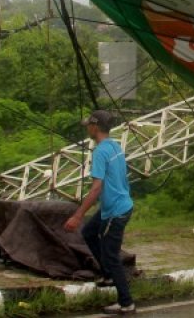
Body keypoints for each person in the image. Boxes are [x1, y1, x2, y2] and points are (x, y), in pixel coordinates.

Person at [64, 110, 135, 315]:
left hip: (116, 211)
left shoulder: (100, 152)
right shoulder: (114, 146)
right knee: (89, 233)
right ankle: (108, 275)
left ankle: (126, 302)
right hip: (114, 206)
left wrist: (77, 215)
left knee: (111, 254)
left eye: (89, 125)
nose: (87, 128)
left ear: (95, 127)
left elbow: (96, 188)